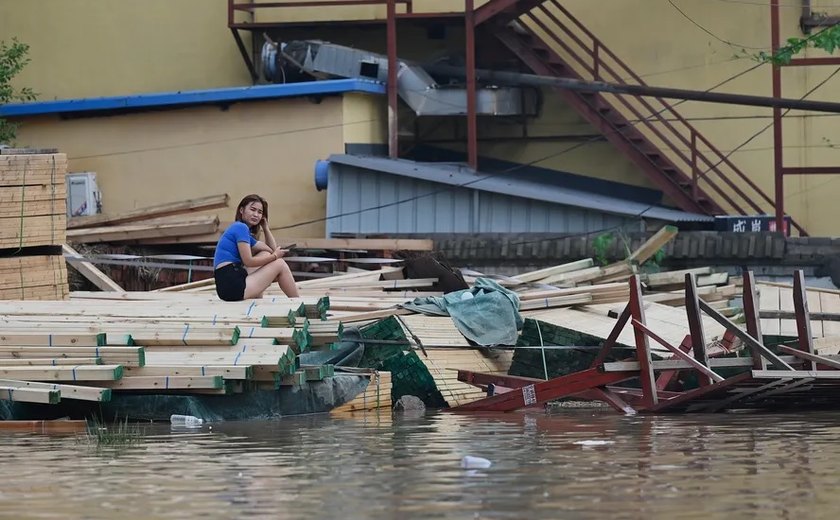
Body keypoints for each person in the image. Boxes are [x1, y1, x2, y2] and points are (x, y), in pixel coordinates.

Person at [213, 194, 300, 301]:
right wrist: (274, 257)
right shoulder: (240, 227)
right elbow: (248, 261)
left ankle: (257, 298)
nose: (256, 214)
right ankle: (297, 301)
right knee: (280, 264)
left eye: (260, 212)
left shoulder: (244, 232)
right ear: (241, 210)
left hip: (231, 281)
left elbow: (270, 249)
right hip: (231, 285)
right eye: (252, 210)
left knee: (266, 254)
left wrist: (265, 228)